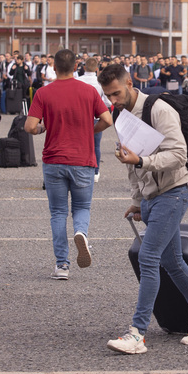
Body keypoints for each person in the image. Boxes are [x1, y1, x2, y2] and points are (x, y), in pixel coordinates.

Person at [98, 63, 188, 354]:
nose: (112, 101)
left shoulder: (159, 110)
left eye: (116, 93)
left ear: (130, 82)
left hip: (175, 192)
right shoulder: (120, 114)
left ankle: (137, 334)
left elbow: (179, 155)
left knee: (148, 257)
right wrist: (139, 200)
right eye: (108, 96)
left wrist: (141, 162)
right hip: (153, 197)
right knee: (173, 262)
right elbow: (130, 163)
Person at [24, 51, 112, 279]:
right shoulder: (89, 91)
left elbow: (30, 126)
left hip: (54, 160)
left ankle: (62, 265)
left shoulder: (44, 93)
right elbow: (108, 119)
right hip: (82, 159)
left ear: (53, 67)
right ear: (76, 66)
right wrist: (89, 130)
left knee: (58, 213)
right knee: (82, 208)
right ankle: (81, 232)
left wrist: (43, 128)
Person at [76, 56, 112, 183]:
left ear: (84, 67)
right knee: (96, 145)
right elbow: (107, 102)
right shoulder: (99, 83)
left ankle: (81, 168)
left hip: (79, 117)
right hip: (96, 117)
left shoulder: (77, 80)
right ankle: (95, 171)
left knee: (80, 145)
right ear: (97, 68)